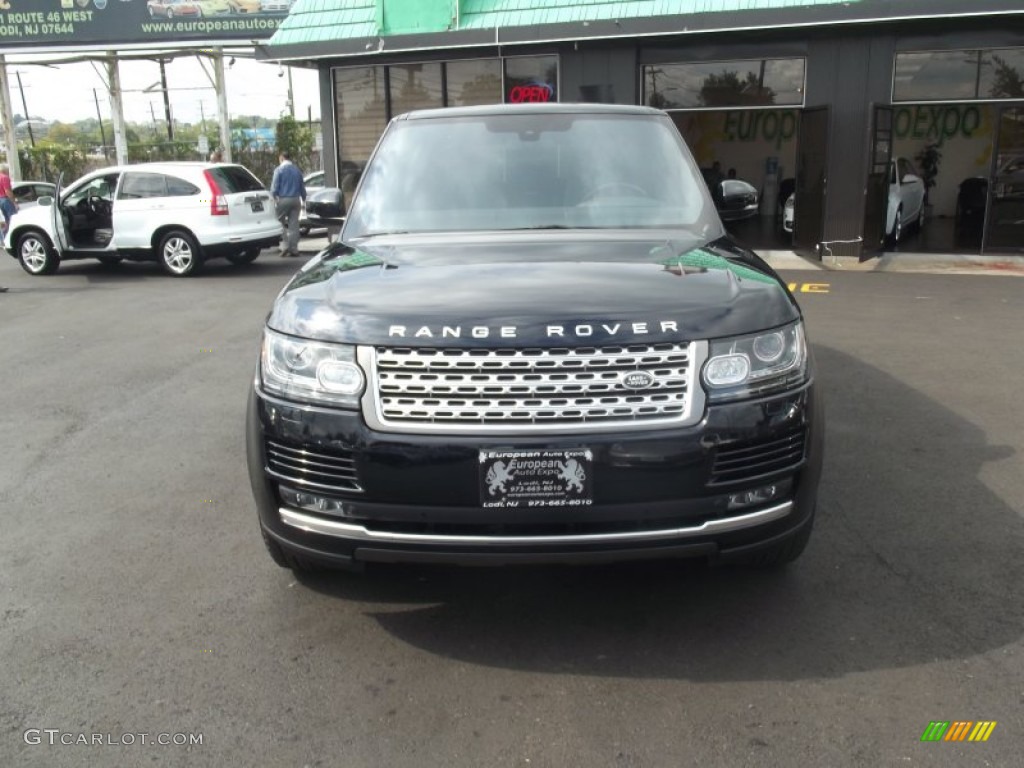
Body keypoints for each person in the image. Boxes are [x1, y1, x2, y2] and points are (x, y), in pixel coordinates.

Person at [271, 151, 306, 258]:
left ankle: (285, 245)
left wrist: (274, 197)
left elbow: (274, 187)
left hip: (283, 199)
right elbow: (302, 187)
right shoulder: (297, 170)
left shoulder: (279, 170)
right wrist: (303, 200)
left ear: (281, 158)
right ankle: (294, 248)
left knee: (278, 221)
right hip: (296, 199)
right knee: (294, 225)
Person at [1, 162, 17, 290]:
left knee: (4, 223)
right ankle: (7, 240)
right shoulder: (4, 178)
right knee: (12, 221)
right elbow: (8, 191)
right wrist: (14, 202)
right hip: (5, 200)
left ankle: (3, 239)